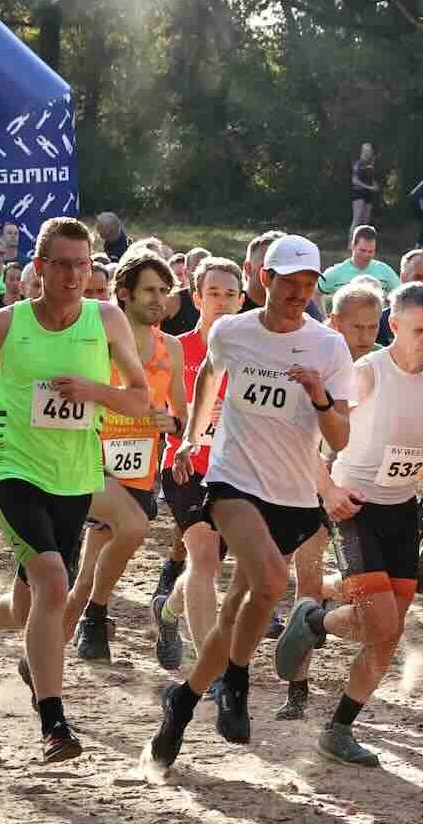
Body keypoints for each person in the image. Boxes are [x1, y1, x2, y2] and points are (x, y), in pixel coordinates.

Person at [0, 216, 154, 763]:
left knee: (28, 601)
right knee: (54, 583)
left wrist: (94, 390)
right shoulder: (4, 323)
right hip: (17, 469)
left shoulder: (106, 319)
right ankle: (54, 722)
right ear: (38, 268)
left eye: (81, 265)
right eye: (60, 264)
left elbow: (139, 399)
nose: (71, 275)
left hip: (75, 475)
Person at [142, 234, 352, 767]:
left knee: (239, 608)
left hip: (292, 494)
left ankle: (183, 700)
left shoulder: (328, 346)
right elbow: (211, 373)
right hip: (233, 481)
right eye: (289, 282)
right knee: (273, 581)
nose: (299, 292)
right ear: (265, 279)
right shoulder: (233, 332)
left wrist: (318, 395)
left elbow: (341, 435)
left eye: (309, 284)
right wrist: (193, 433)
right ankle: (236, 678)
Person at [274, 282, 423, 766]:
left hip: (403, 510)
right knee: (380, 621)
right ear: (394, 327)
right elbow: (310, 444)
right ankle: (314, 618)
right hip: (354, 508)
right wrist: (331, 492)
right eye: (418, 330)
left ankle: (338, 727)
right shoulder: (366, 374)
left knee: (387, 632)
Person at [67, 250, 186, 661]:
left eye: (165, 291)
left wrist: (172, 425)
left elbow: (180, 415)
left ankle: (62, 640)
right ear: (124, 293)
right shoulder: (96, 342)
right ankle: (96, 615)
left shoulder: (170, 348)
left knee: (87, 575)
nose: (159, 299)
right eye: (150, 290)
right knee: (133, 529)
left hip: (138, 470)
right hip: (90, 462)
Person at [154, 257, 246, 671]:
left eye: (230, 294)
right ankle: (213, 668)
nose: (222, 302)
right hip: (185, 467)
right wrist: (180, 429)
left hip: (237, 474)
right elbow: (152, 408)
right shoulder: (176, 349)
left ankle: (169, 611)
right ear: (196, 297)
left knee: (204, 568)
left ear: (243, 301)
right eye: (213, 293)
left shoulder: (254, 357)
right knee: (204, 558)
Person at [319, 225, 402, 298]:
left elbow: (401, 294)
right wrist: (320, 315)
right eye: (362, 250)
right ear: (352, 246)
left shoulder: (384, 271)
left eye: (370, 251)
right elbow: (315, 293)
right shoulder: (336, 272)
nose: (366, 255)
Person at [349, 142, 380, 247]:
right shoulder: (358, 163)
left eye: (370, 150)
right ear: (362, 151)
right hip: (358, 193)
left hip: (368, 194)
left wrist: (374, 186)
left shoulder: (371, 164)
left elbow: (372, 179)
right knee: (357, 219)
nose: (368, 152)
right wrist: (369, 187)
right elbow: (354, 180)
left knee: (365, 222)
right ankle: (351, 244)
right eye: (366, 150)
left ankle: (362, 245)